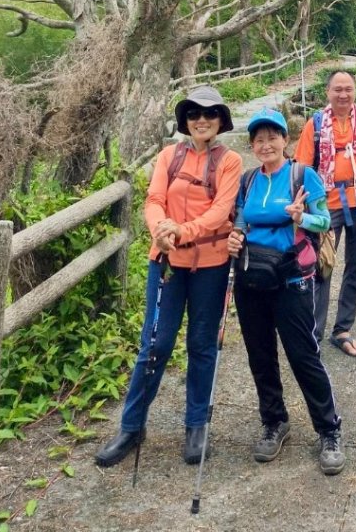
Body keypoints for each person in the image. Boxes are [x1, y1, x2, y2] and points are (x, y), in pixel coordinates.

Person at [95, 85, 241, 468]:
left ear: (221, 121)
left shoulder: (230, 162)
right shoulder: (167, 156)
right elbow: (154, 199)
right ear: (185, 121)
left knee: (201, 344)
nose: (201, 120)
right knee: (154, 344)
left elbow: (221, 210)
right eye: (193, 114)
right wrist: (160, 228)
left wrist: (182, 231)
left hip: (210, 264)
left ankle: (196, 426)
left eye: (209, 114)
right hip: (166, 264)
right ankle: (131, 426)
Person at [227, 108, 344, 475]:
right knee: (260, 356)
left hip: (292, 280)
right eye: (259, 139)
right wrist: (235, 236)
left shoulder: (302, 175)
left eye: (272, 137)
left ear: (285, 140)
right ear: (252, 145)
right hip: (251, 280)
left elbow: (325, 220)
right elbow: (242, 218)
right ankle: (274, 422)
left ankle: (329, 430)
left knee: (303, 356)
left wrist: (301, 217)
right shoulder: (248, 181)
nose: (266, 144)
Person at [294, 70, 356, 357]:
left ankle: (343, 329)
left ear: (355, 91)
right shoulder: (316, 124)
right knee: (321, 266)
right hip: (326, 203)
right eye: (338, 89)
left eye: (348, 89)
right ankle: (314, 333)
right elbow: (301, 168)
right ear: (328, 92)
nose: (343, 94)